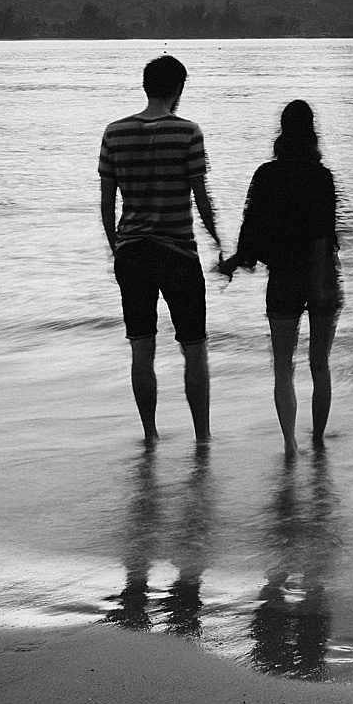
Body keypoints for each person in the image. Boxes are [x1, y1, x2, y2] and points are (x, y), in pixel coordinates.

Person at [99, 54, 223, 443]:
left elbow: (106, 204)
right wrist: (219, 239)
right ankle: (202, 437)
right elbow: (201, 198)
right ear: (178, 89)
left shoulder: (114, 133)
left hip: (132, 253)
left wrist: (116, 247)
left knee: (142, 349)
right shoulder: (188, 132)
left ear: (145, 86)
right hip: (178, 255)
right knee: (195, 349)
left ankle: (150, 436)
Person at [217, 100, 342, 455]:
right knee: (320, 365)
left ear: (282, 131)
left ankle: (290, 445)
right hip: (323, 277)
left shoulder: (266, 176)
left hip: (284, 278)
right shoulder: (323, 177)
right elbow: (326, 232)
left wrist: (234, 263)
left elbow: (251, 231)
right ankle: (318, 441)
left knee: (283, 368)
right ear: (312, 130)